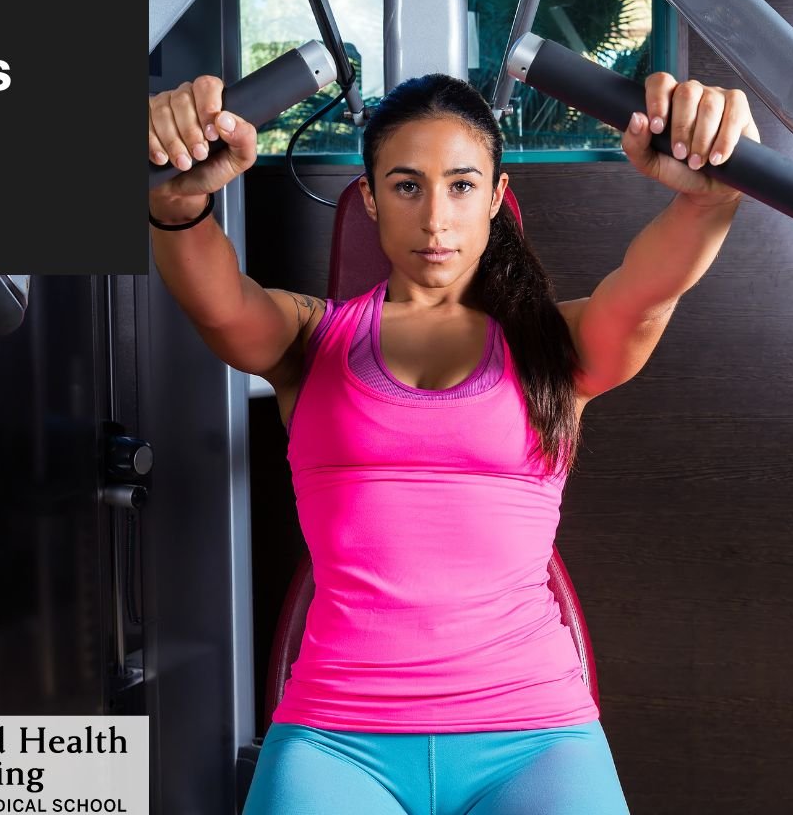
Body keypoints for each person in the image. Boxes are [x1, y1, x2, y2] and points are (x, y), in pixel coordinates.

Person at [147, 69, 759, 815]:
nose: (436, 218)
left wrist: (711, 191)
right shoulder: (311, 339)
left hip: (536, 738)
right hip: (339, 738)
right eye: (406, 186)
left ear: (497, 197)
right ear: (368, 197)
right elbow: (220, 305)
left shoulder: (554, 347)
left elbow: (648, 289)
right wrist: (178, 205)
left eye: (462, 185)